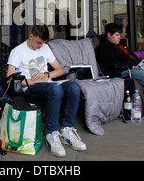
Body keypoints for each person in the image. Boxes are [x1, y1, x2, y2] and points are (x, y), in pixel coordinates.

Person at [6, 24, 86, 157]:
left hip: (48, 83)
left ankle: (67, 129)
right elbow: (9, 79)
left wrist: (47, 75)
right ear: (30, 36)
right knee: (55, 90)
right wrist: (33, 81)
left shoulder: (45, 47)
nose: (40, 46)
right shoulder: (18, 51)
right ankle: (52, 133)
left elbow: (59, 70)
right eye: (38, 42)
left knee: (74, 87)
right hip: (30, 87)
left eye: (43, 43)